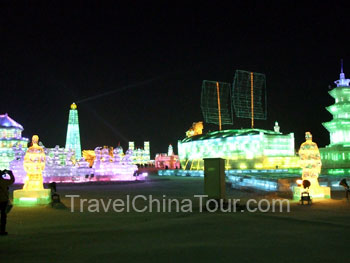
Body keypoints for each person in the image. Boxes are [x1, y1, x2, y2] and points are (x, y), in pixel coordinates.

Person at [0, 169, 15, 236]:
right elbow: (12, 181)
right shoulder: (4, 181)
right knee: (3, 216)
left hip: (3, 200)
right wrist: (10, 174)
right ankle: (2, 230)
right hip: (3, 200)